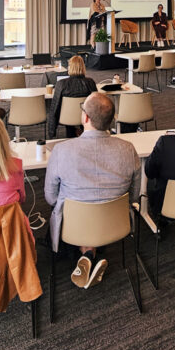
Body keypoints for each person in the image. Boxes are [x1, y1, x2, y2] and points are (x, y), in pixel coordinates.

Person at [44, 92, 139, 289]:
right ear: (113, 119)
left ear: (85, 118)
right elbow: (134, 195)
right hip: (114, 224)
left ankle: (86, 253)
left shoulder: (62, 150)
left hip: (73, 227)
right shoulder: (129, 149)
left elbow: (50, 197)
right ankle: (90, 253)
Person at [46, 55, 98, 138]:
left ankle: (72, 133)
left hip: (66, 118)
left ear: (70, 67)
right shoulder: (90, 83)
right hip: (85, 118)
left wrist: (51, 132)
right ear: (83, 67)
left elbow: (54, 108)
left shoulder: (61, 84)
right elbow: (96, 105)